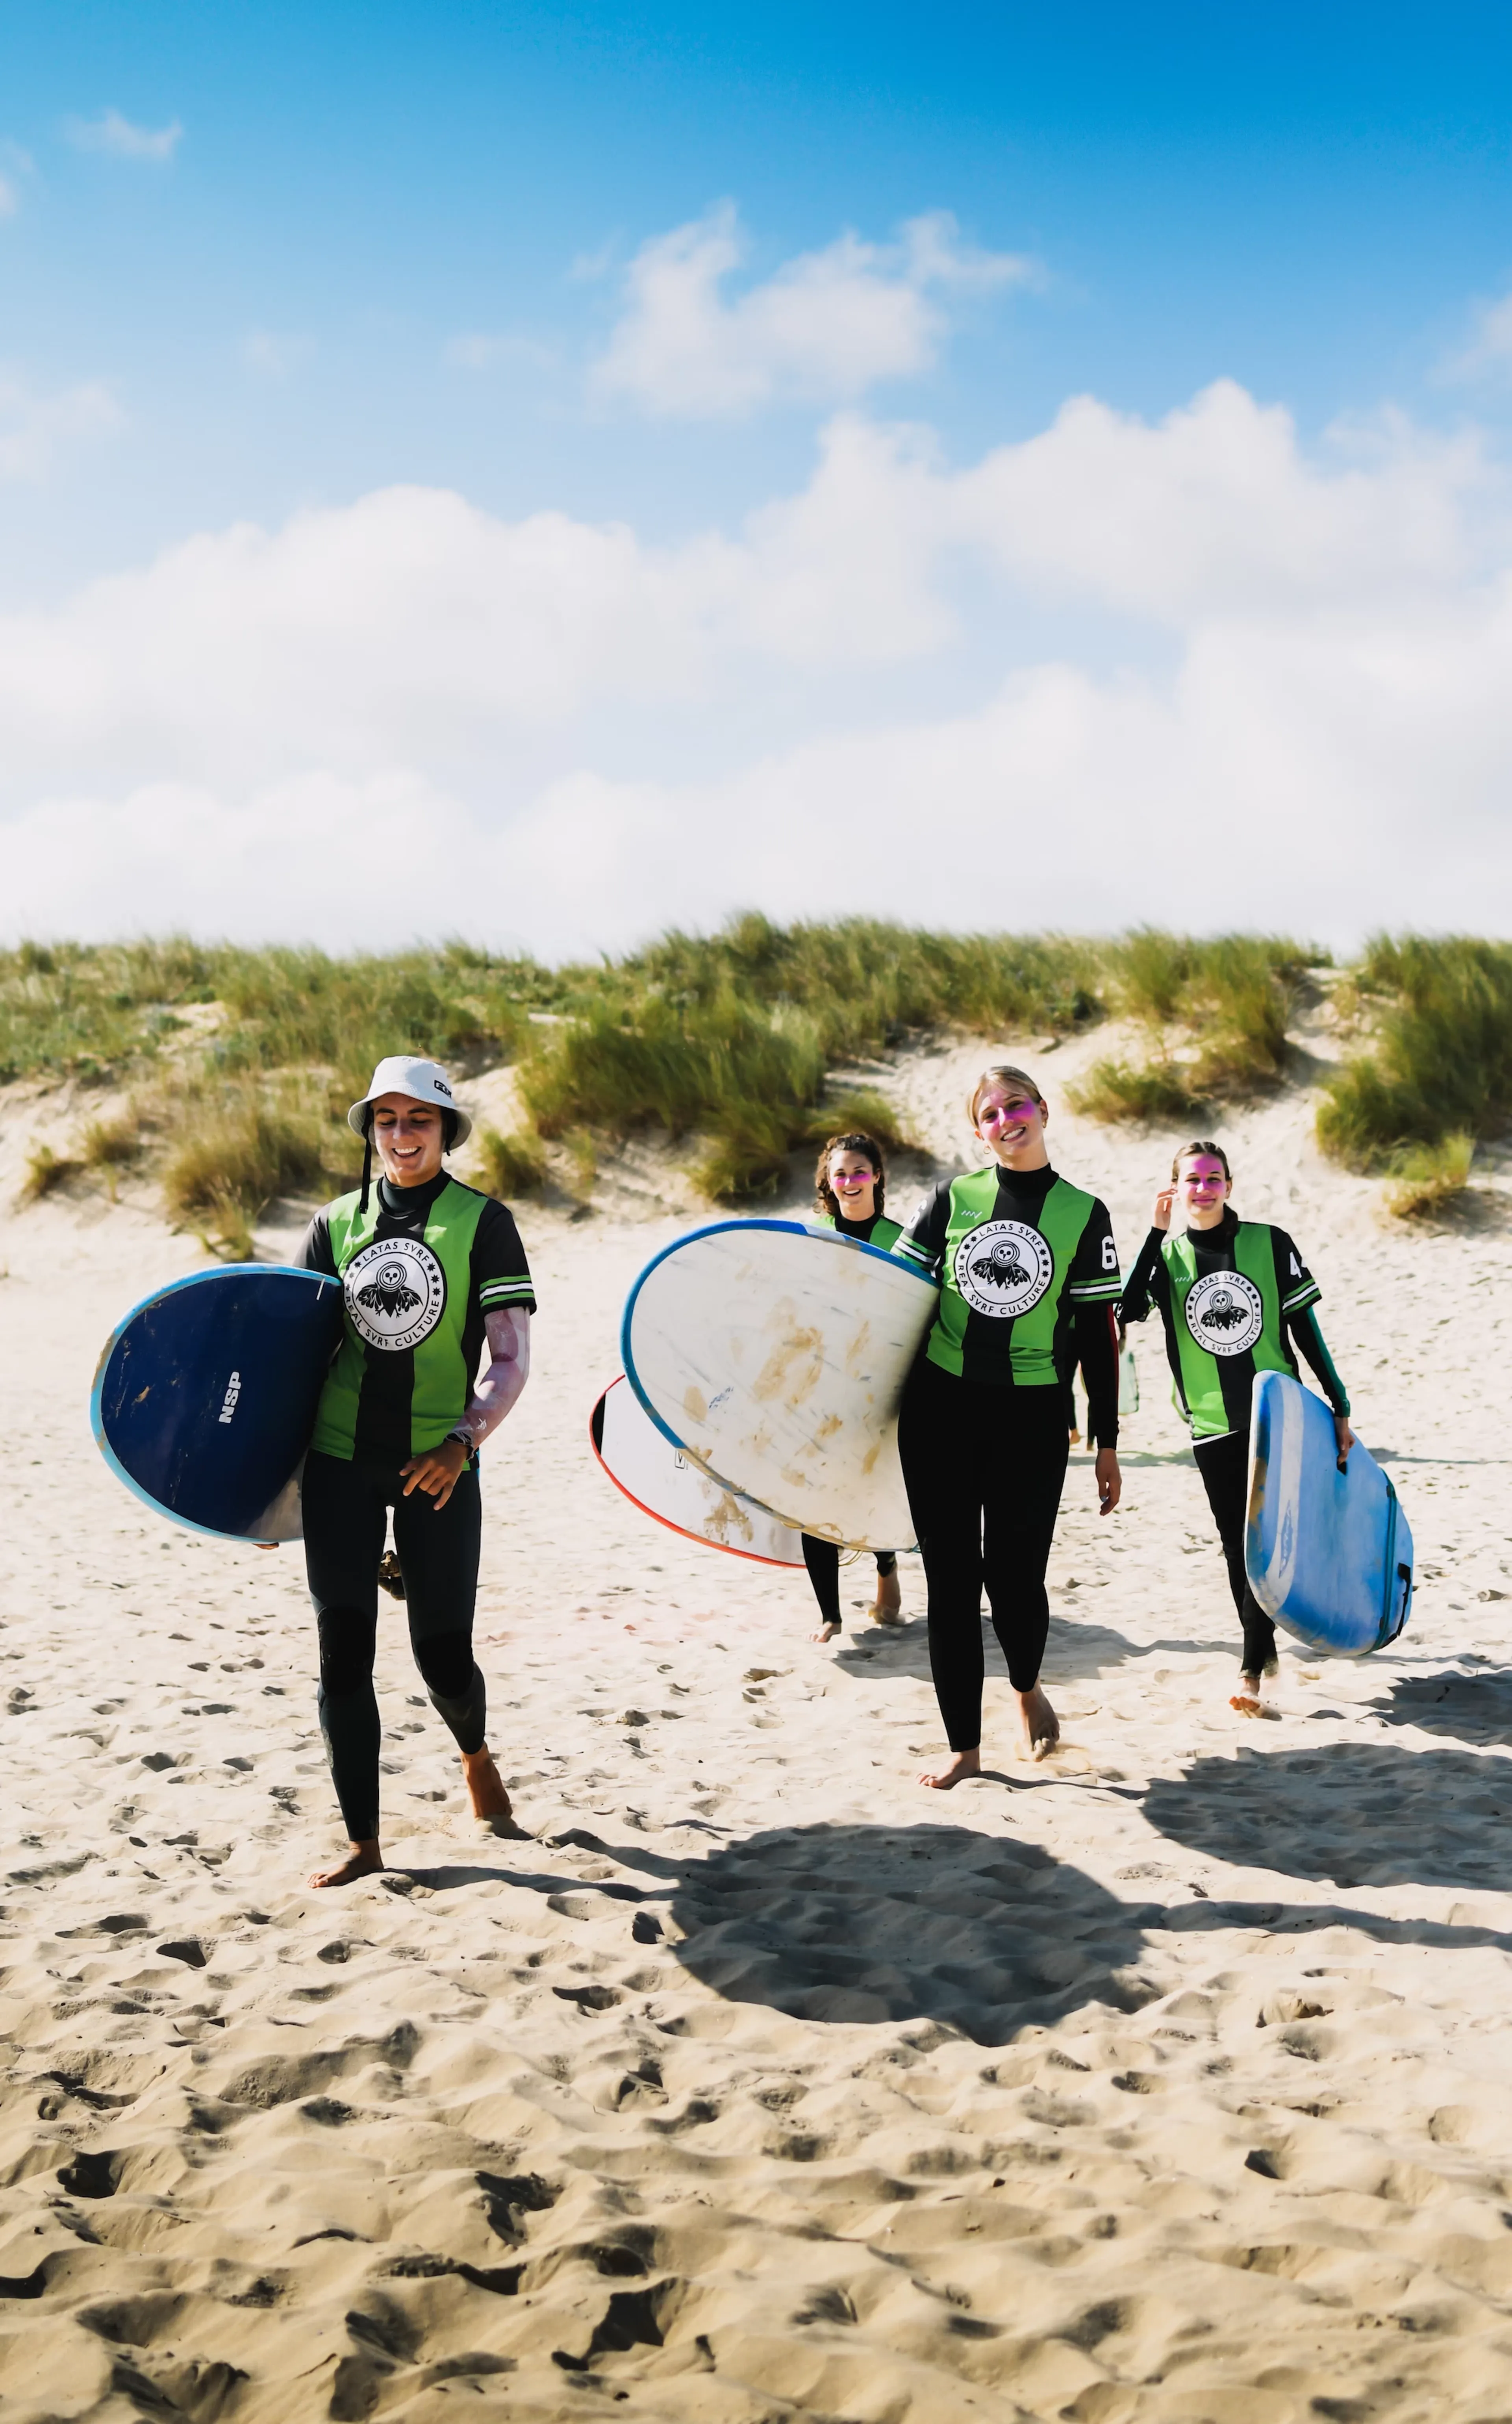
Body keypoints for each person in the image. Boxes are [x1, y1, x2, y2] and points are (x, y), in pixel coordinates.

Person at [298, 1055, 536, 1888]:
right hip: (336, 1462)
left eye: (419, 1120)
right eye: (388, 1120)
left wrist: (462, 1443)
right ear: (371, 1131)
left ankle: (473, 1751)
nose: (403, 1135)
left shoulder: (484, 1223)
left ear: (444, 1130)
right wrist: (265, 1495)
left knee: (441, 1654)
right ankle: (364, 1842)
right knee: (342, 1652)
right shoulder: (334, 1224)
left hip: (437, 1463)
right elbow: (294, 1359)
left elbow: (509, 1359)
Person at [895, 1065, 1123, 1785]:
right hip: (940, 1410)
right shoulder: (952, 1198)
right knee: (951, 1584)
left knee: (1017, 1580)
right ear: (978, 1131)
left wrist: (1107, 1440)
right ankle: (965, 1747)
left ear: (1043, 1111)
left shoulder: (1086, 1215)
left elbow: (1096, 1338)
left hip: (1030, 1417)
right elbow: (892, 1304)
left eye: (1015, 1106)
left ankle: (1026, 1686)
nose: (1005, 1121)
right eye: (989, 1114)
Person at [1118, 1140, 1354, 1717]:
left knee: (1275, 1535)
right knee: (1238, 1545)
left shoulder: (1270, 1244)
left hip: (1280, 1415)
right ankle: (1262, 1654)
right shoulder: (1168, 1259)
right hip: (1212, 1420)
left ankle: (1251, 1667)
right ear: (1176, 1189)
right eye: (1192, 1180)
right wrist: (1154, 1232)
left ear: (1230, 1185)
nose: (1203, 1189)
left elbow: (1305, 1330)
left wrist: (1339, 1402)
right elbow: (1124, 1311)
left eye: (1213, 1178)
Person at [804, 1130, 904, 1641]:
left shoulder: (900, 1240)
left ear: (877, 1176)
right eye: (840, 1173)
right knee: (811, 1497)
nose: (850, 1182)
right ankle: (831, 1613)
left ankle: (886, 1568)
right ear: (828, 1180)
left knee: (874, 1487)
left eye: (859, 1171)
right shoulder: (810, 1236)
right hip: (820, 1384)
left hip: (880, 1386)